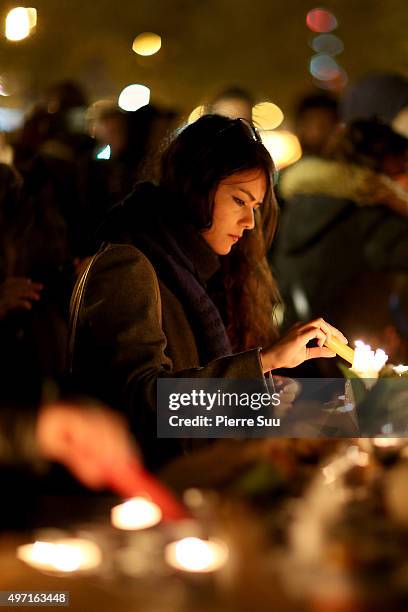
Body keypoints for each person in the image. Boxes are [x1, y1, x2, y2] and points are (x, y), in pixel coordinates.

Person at [69, 115, 347, 470]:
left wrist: (263, 393)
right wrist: (264, 362)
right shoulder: (129, 265)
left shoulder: (195, 270)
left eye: (255, 208)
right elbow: (146, 406)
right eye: (238, 200)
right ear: (197, 187)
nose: (248, 223)